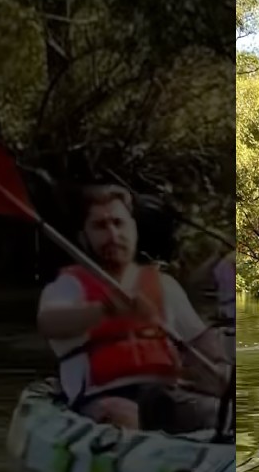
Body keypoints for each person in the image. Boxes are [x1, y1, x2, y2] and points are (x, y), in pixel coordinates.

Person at [36, 184, 230, 433]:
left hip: (166, 396)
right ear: (84, 236)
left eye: (119, 223)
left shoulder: (163, 284)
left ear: (133, 229)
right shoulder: (68, 287)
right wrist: (103, 310)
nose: (113, 235)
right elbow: (48, 323)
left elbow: (199, 340)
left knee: (219, 414)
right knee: (125, 416)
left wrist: (220, 368)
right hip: (103, 398)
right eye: (100, 226)